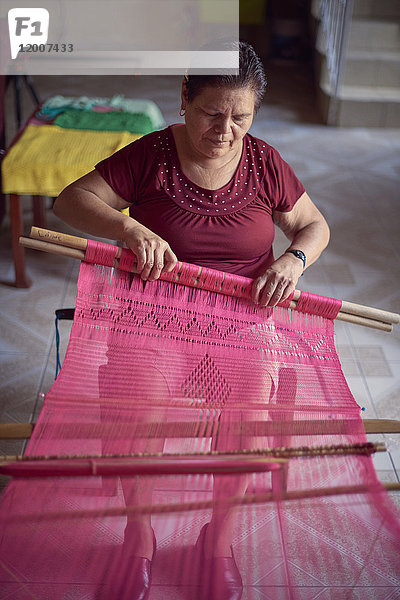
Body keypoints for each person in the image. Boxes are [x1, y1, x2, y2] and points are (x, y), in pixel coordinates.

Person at [54, 41, 330, 600]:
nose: (227, 130)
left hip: (240, 321)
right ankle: (139, 540)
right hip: (155, 316)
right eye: (212, 112)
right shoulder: (151, 154)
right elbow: (69, 201)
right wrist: (129, 229)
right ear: (184, 98)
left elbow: (313, 226)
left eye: (241, 117)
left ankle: (218, 541)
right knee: (138, 408)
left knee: (251, 409)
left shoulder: (263, 162)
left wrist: (291, 259)